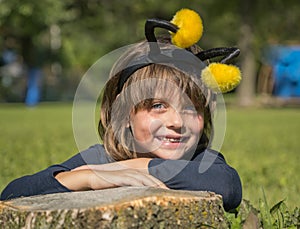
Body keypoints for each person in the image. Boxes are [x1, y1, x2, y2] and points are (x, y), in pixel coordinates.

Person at [0, 9, 242, 212]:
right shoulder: (103, 159)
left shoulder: (200, 160)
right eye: (158, 106)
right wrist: (90, 177)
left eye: (192, 109)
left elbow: (227, 186)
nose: (177, 121)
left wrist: (135, 167)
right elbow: (12, 194)